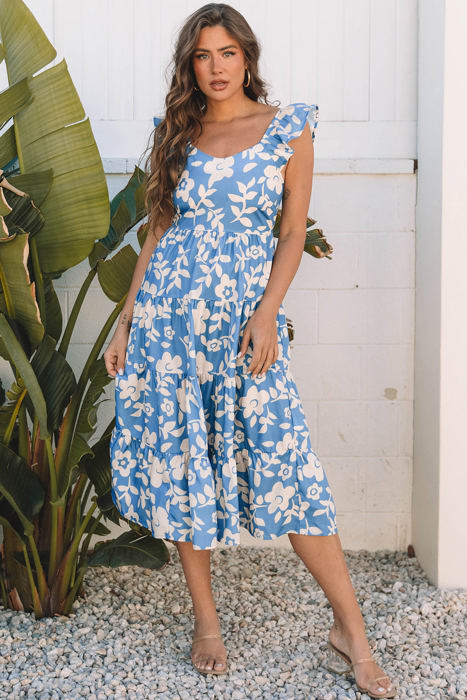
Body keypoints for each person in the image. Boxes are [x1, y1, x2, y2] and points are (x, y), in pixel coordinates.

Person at [103, 3, 396, 697]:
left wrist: (267, 313)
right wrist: (126, 320)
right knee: (186, 463)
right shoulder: (176, 132)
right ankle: (206, 622)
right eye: (203, 55)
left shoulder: (287, 128)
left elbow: (291, 232)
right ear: (190, 64)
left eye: (227, 53)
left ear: (247, 57)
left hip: (242, 325)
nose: (216, 67)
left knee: (288, 466)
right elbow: (157, 231)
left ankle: (351, 631)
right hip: (170, 328)